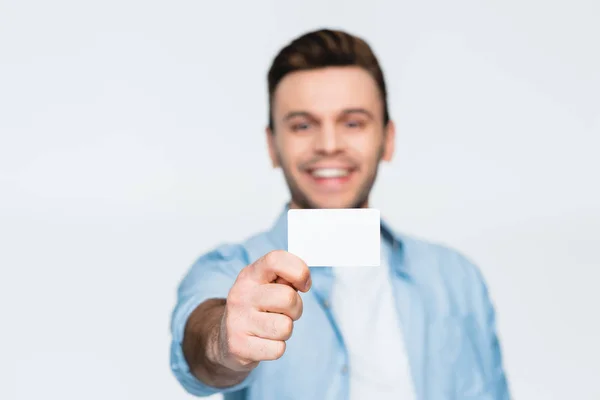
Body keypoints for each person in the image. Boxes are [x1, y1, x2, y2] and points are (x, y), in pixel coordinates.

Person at [169, 28, 510, 400]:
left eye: (352, 123)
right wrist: (225, 342)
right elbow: (202, 346)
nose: (328, 145)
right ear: (272, 146)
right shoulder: (229, 269)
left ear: (388, 138)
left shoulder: (457, 279)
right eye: (302, 125)